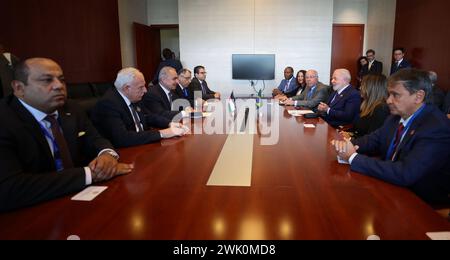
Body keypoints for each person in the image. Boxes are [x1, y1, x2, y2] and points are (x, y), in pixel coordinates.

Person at [0, 58, 133, 212]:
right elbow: (9, 189)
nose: (59, 86)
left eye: (62, 80)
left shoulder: (71, 108)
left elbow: (96, 139)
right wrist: (91, 174)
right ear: (19, 88)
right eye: (47, 80)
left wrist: (107, 155)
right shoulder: (5, 120)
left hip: (77, 201)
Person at [332, 69, 450, 204]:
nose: (388, 100)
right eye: (389, 94)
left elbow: (405, 173)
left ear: (418, 96)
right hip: (390, 187)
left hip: (420, 202)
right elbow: (373, 140)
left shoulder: (436, 127)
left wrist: (353, 158)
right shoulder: (395, 117)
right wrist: (347, 145)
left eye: (395, 95)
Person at [91, 67, 189, 149]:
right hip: (127, 152)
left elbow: (148, 116)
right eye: (141, 87)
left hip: (142, 145)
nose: (145, 90)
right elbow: (122, 138)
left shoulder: (134, 98)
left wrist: (170, 123)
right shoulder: (108, 104)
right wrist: (162, 133)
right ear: (126, 88)